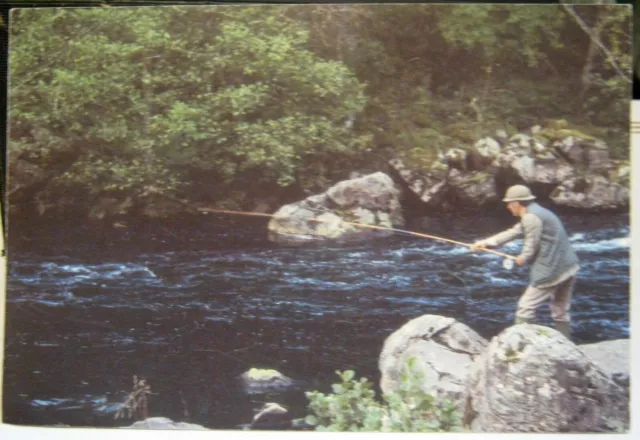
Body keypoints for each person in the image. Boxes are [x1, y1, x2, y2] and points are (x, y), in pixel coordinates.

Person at [471, 184, 579, 339]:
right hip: (570, 266)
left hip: (551, 270)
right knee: (560, 310)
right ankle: (567, 344)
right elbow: (513, 232)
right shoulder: (537, 211)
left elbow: (531, 244)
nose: (508, 207)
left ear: (516, 203)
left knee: (525, 308)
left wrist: (523, 258)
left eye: (509, 203)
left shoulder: (530, 217)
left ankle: (524, 346)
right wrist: (486, 243)